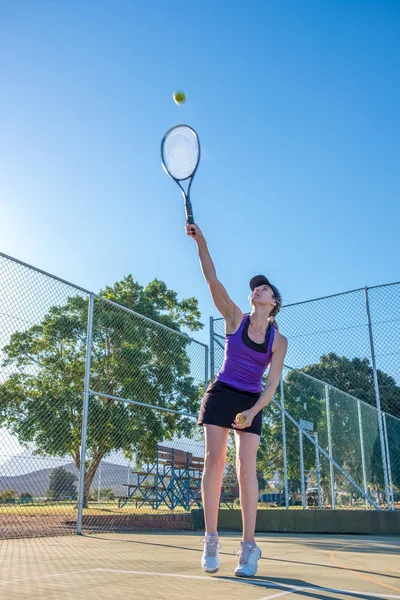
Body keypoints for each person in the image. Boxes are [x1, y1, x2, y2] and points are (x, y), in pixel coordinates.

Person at [186, 223, 287, 578]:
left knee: (247, 470)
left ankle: (248, 547)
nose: (257, 288)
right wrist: (202, 242)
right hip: (223, 392)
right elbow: (212, 280)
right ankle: (210, 539)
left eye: (265, 288)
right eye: (255, 287)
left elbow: (271, 384)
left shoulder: (278, 340)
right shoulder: (234, 317)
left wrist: (253, 411)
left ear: (273, 302)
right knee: (215, 460)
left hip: (251, 399)